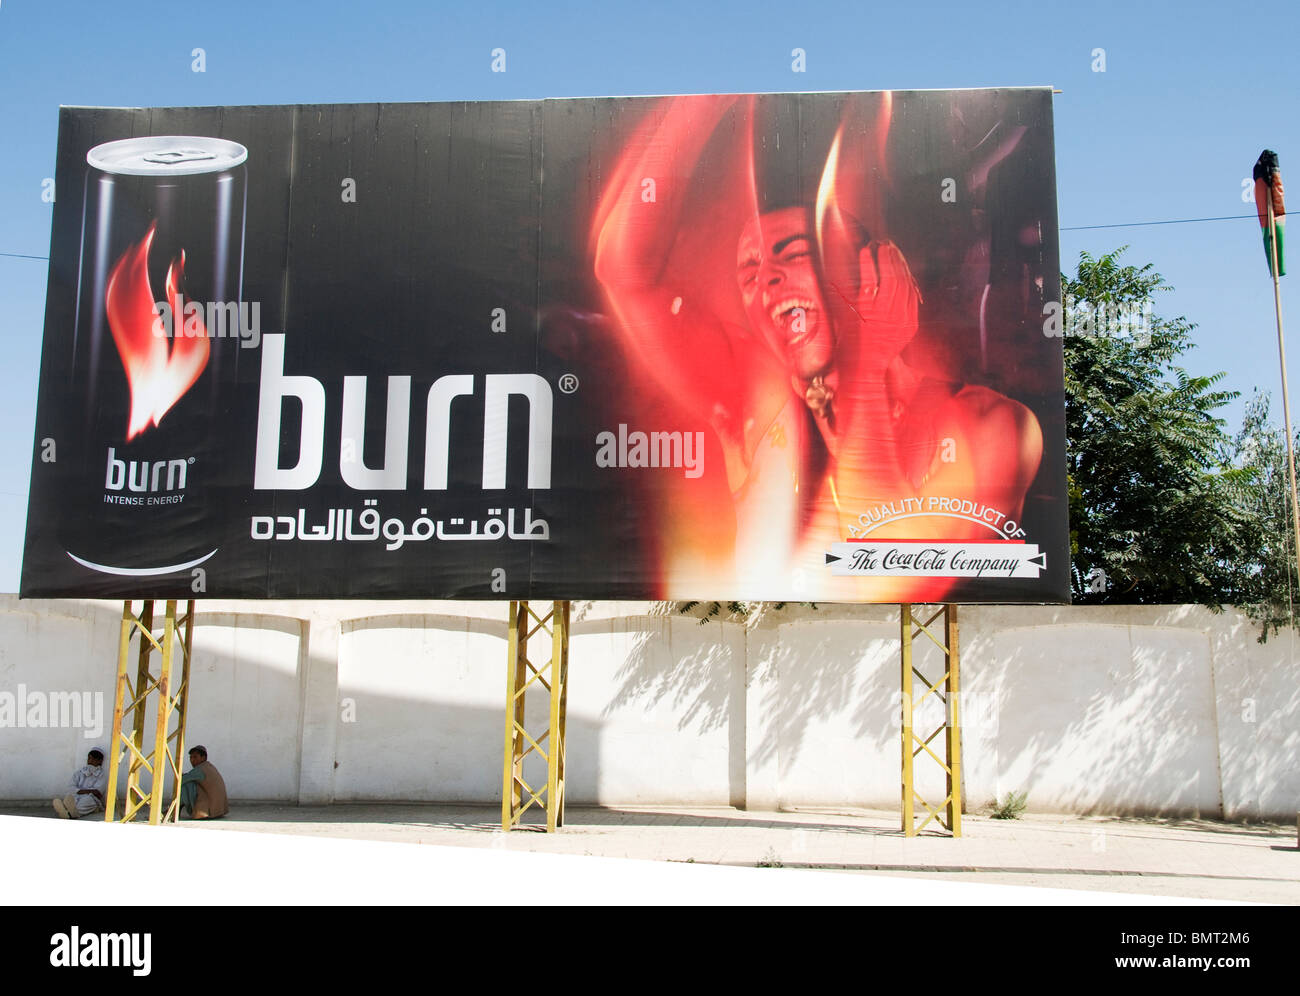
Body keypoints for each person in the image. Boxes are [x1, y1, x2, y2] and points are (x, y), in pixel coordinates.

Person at [593, 93, 1043, 599]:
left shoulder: (991, 424)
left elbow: (891, 570)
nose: (768, 281)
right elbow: (624, 272)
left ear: (871, 271)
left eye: (795, 254)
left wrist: (867, 365)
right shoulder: (757, 402)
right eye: (749, 274)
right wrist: (703, 97)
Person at [52, 747, 108, 819]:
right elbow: (71, 787)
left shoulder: (102, 775)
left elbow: (98, 793)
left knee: (87, 800)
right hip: (77, 796)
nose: (90, 761)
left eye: (93, 759)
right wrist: (89, 791)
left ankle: (68, 812)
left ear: (100, 761)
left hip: (91, 798)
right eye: (89, 758)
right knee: (70, 797)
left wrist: (80, 791)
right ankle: (69, 812)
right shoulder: (79, 773)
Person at [178, 744, 228, 819]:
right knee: (191, 784)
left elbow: (180, 781)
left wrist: (180, 776)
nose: (192, 760)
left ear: (203, 758)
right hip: (219, 811)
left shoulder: (199, 770)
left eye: (195, 757)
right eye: (191, 757)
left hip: (209, 811)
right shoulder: (209, 766)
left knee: (185, 786)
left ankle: (174, 810)